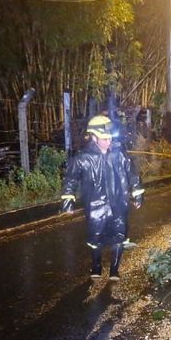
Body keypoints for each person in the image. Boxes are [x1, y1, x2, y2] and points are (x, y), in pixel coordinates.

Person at [60, 115, 144, 281]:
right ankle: (96, 265)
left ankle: (114, 269)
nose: (108, 141)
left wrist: (137, 194)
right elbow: (70, 179)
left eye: (110, 137)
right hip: (95, 205)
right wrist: (68, 201)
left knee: (119, 235)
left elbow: (132, 175)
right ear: (93, 137)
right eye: (104, 138)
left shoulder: (120, 154)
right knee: (95, 237)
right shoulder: (83, 158)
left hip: (119, 203)